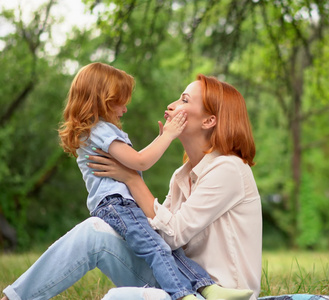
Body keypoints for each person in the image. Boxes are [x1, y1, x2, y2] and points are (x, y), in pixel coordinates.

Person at [1, 67, 260, 300]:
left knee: (119, 298)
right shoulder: (181, 176)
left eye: (184, 100)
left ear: (208, 121)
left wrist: (130, 178)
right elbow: (159, 233)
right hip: (177, 284)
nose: (170, 105)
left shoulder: (229, 168)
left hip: (216, 294)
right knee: (94, 230)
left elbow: (174, 234)